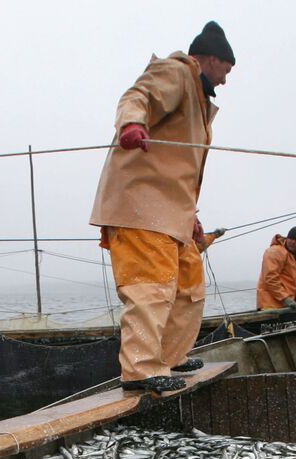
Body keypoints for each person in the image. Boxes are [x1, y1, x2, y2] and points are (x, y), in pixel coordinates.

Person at [90, 21, 235, 393]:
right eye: (226, 70)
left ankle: (170, 357)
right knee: (150, 286)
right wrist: (132, 125)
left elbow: (179, 169)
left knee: (189, 284)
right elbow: (137, 96)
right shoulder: (177, 71)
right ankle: (140, 370)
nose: (225, 81)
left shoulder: (201, 104)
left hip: (172, 213)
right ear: (211, 59)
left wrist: (193, 217)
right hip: (140, 206)